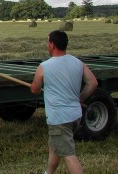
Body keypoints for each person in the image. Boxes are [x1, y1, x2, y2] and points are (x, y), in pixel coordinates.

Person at [30, 30, 98, 174]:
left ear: (52, 45)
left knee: (68, 154)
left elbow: (35, 90)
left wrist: (34, 85)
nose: (47, 45)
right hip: (75, 116)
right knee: (55, 147)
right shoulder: (78, 62)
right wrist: (80, 98)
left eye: (48, 42)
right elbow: (92, 83)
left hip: (59, 118)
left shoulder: (45, 66)